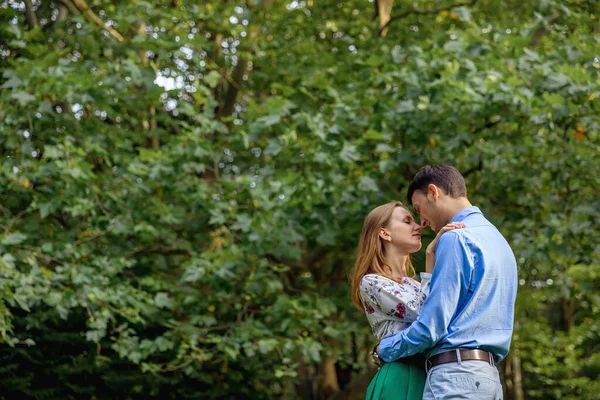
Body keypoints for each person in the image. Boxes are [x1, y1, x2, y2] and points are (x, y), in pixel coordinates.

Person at [375, 165, 518, 400]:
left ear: (434, 192)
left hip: (455, 378)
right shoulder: (497, 239)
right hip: (489, 380)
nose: (423, 222)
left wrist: (384, 349)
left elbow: (430, 328)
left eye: (420, 210)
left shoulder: (455, 238)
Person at [351, 201, 465, 400]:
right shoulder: (372, 282)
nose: (418, 226)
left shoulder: (413, 284)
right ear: (385, 233)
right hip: (400, 377)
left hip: (430, 375)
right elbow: (431, 316)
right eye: (407, 221)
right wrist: (431, 257)